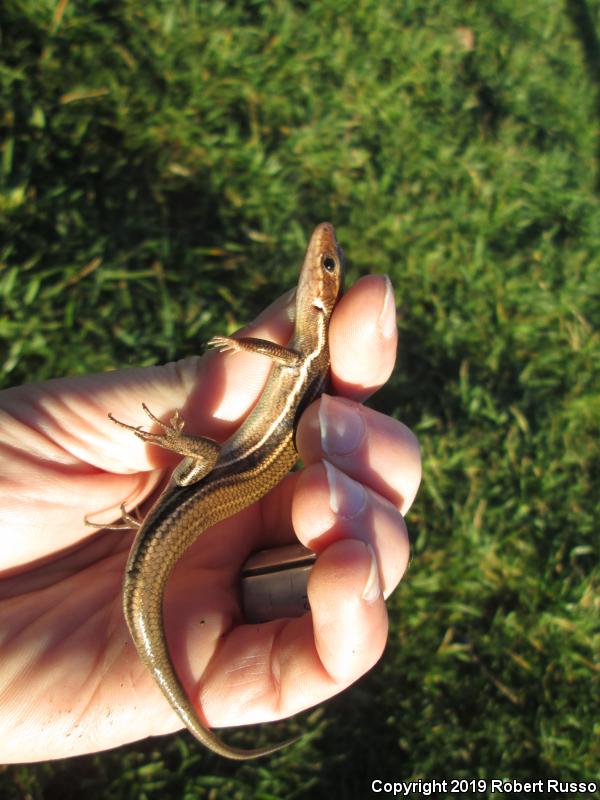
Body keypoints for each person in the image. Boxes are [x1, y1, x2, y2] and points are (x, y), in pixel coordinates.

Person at [0, 274, 421, 761]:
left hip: (232, 471)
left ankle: (157, 480)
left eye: (325, 267)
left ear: (322, 307)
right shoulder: (311, 353)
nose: (318, 266)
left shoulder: (306, 354)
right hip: (236, 475)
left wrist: (238, 345)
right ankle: (144, 513)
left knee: (198, 467)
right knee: (192, 494)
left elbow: (283, 358)